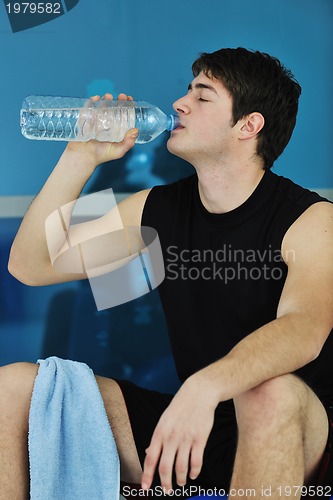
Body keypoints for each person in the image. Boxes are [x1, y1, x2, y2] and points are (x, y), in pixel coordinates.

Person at [5, 47, 333, 499]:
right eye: (187, 90)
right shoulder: (155, 208)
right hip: (194, 423)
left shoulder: (313, 219)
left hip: (296, 431)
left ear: (248, 125)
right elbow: (30, 265)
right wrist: (80, 156)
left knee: (267, 393)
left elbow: (304, 329)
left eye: (203, 95)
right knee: (15, 387)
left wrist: (206, 386)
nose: (180, 103)